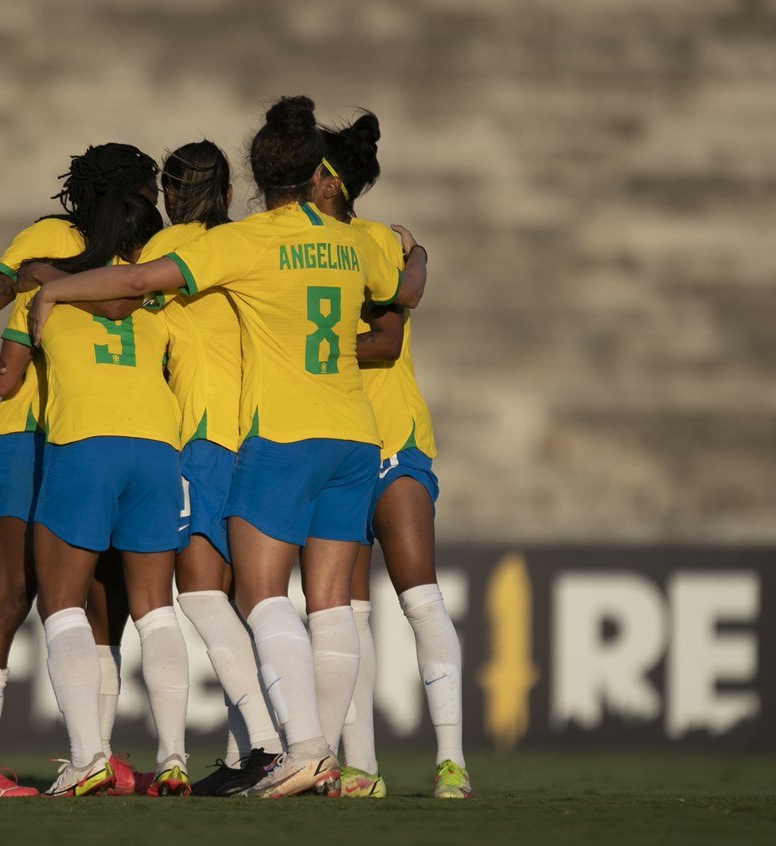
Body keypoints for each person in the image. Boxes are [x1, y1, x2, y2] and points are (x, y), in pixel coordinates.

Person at [25, 95, 426, 799]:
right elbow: (404, 291)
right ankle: (330, 762)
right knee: (330, 602)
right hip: (355, 434)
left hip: (257, 432)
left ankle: (290, 746)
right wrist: (420, 253)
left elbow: (134, 285)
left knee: (250, 594)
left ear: (255, 176)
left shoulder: (241, 242)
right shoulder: (352, 239)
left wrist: (54, 291)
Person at [0, 144, 160, 797]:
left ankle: (92, 755)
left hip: (89, 439)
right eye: (147, 185)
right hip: (28, 434)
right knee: (13, 590)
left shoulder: (140, 256)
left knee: (105, 601)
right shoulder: (50, 237)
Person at [1, 193, 192, 797]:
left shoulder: (44, 296)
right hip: (159, 449)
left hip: (84, 444)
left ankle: (89, 757)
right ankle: (174, 758)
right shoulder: (157, 299)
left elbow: (6, 380)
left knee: (61, 606)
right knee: (156, 608)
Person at [313, 113, 471, 799]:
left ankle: (452, 762)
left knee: (419, 597)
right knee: (346, 613)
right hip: (329, 439)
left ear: (328, 179)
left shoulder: (377, 242)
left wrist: (304, 348)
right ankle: (362, 767)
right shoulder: (296, 245)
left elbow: (386, 340)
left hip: (390, 437)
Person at [136, 140, 283, 797]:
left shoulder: (165, 260)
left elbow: (141, 335)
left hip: (198, 436)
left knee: (198, 595)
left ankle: (272, 742)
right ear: (227, 194)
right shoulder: (250, 247)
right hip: (259, 438)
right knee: (237, 602)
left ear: (169, 197)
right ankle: (245, 752)